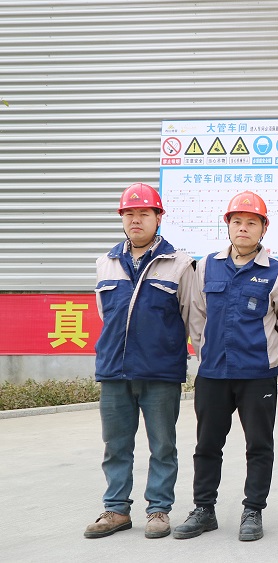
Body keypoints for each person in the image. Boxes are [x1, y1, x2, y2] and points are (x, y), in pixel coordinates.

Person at [174, 190, 278, 542]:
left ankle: (253, 510)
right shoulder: (206, 266)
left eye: (251, 223)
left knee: (258, 445)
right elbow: (196, 316)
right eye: (237, 221)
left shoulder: (277, 272)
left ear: (263, 229)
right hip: (213, 373)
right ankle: (204, 509)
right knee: (207, 445)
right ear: (227, 226)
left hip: (257, 373)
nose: (243, 228)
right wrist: (206, 353)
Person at [85, 183, 197, 540]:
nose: (136, 219)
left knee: (162, 445)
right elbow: (108, 315)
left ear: (158, 218)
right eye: (129, 214)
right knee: (115, 446)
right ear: (122, 218)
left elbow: (191, 316)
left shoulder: (179, 264)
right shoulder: (105, 263)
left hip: (160, 371)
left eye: (144, 213)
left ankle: (159, 510)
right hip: (114, 370)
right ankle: (116, 510)